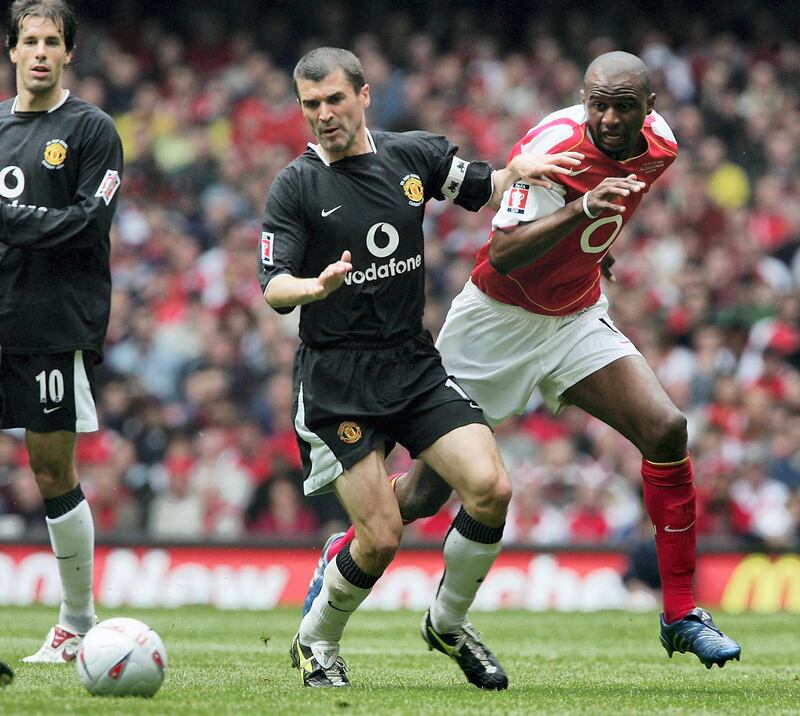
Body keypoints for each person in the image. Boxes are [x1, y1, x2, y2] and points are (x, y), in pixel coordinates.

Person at [303, 51, 741, 670]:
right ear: (583, 102)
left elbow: (606, 219)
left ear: (652, 108)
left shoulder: (662, 147)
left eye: (624, 106)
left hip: (574, 317)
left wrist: (594, 251)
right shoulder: (554, 148)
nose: (610, 119)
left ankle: (680, 613)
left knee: (667, 428)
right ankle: (346, 549)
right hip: (495, 322)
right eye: (599, 105)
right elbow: (505, 252)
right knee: (428, 495)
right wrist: (583, 213)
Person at [259, 46, 581, 689]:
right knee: (378, 540)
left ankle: (449, 622)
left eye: (334, 100)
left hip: (411, 361)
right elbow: (272, 286)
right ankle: (316, 641)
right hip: (337, 379)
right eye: (310, 105)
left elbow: (477, 186)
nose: (324, 115)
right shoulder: (295, 185)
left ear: (364, 95)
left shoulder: (411, 155)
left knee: (491, 488)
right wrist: (313, 288)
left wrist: (516, 170)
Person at [0, 0, 123, 662]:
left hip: (49, 321)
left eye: (53, 41)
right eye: (30, 41)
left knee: (51, 467)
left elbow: (85, 222)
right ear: (12, 50)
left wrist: (6, 218)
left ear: (68, 52)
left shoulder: (92, 130)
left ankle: (77, 620)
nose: (41, 51)